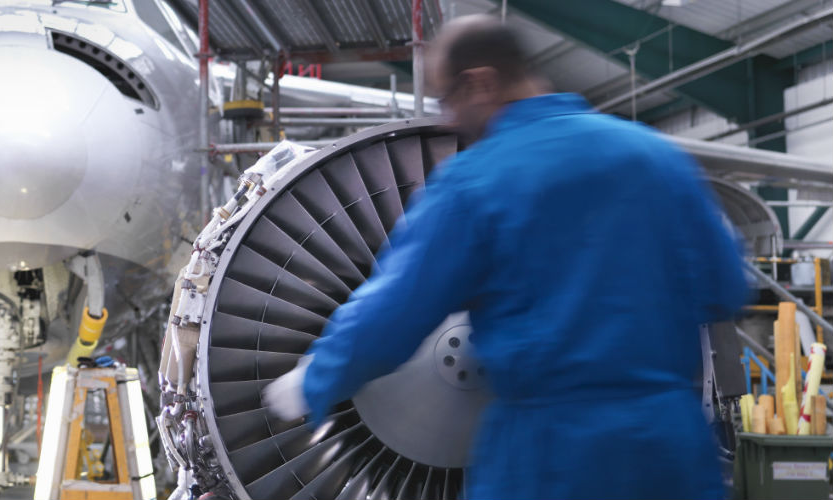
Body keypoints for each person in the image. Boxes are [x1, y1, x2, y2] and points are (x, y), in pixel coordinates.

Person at [261, 15, 748, 500]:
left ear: (481, 82)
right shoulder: (658, 158)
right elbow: (726, 287)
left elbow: (396, 309)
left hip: (552, 456)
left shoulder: (476, 181)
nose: (448, 118)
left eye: (447, 99)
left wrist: (316, 378)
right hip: (669, 448)